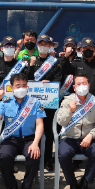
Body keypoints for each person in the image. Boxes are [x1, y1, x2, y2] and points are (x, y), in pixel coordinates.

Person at [0, 73, 45, 189]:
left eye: (24, 85)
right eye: (18, 85)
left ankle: (26, 187)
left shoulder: (35, 102)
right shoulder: (5, 102)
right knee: (4, 156)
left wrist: (36, 142)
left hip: (29, 139)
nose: (21, 88)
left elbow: (40, 124)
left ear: (27, 87)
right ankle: (12, 186)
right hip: (11, 139)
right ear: (11, 87)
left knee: (33, 155)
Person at [56, 74, 95, 189]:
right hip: (69, 138)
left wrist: (90, 136)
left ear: (89, 85)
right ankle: (72, 183)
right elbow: (61, 121)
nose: (82, 86)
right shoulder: (67, 100)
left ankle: (85, 181)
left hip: (87, 138)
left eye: (84, 84)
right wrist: (70, 111)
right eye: (78, 84)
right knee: (63, 154)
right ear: (74, 87)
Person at [29, 34, 63, 171]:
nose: (43, 46)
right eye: (41, 43)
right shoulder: (32, 61)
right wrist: (31, 67)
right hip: (32, 104)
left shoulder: (55, 63)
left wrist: (49, 84)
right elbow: (26, 80)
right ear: (37, 45)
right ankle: (34, 158)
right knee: (33, 132)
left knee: (49, 132)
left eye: (46, 44)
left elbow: (58, 80)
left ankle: (48, 159)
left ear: (50, 46)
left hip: (49, 104)